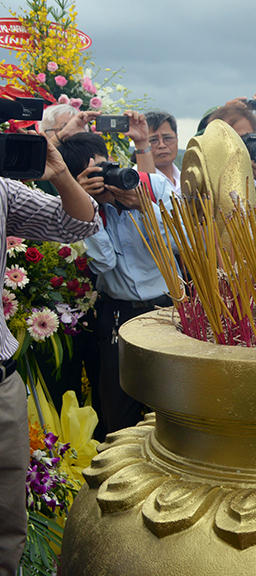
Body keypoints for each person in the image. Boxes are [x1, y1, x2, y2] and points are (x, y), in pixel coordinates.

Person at [0, 133, 100, 575]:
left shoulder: (2, 186)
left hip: (0, 381)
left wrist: (60, 175)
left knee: (7, 520)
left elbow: (79, 224)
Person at [58, 132, 178, 435]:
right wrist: (86, 207)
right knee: (118, 408)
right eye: (93, 176)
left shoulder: (152, 185)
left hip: (167, 309)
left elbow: (181, 244)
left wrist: (145, 210)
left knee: (174, 401)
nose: (105, 178)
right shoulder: (81, 208)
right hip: (118, 315)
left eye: (105, 167)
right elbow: (105, 263)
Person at [145, 110, 181, 195]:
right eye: (153, 140)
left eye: (167, 138)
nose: (162, 145)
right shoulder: (136, 178)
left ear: (177, 139)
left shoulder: (185, 179)